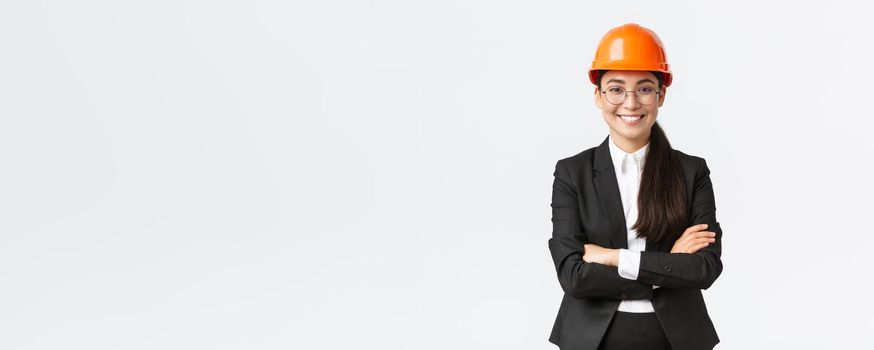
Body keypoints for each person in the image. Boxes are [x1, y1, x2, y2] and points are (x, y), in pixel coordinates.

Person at [546, 23, 723, 350]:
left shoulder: (691, 171)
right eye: (616, 89)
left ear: (661, 95)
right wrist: (664, 271)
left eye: (644, 88)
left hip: (676, 335)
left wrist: (612, 258)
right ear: (599, 96)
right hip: (592, 336)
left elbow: (704, 267)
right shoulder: (573, 173)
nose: (630, 103)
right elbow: (573, 276)